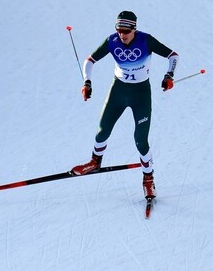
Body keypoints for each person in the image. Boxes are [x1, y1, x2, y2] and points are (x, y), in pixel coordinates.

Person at [70, 11, 178, 200]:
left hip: (141, 94)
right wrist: (87, 82)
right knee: (102, 130)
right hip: (118, 91)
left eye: (126, 31)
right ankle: (95, 162)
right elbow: (89, 60)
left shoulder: (146, 40)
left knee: (140, 140)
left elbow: (173, 56)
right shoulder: (112, 41)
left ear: (134, 29)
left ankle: (148, 179)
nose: (122, 35)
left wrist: (169, 75)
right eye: (119, 30)